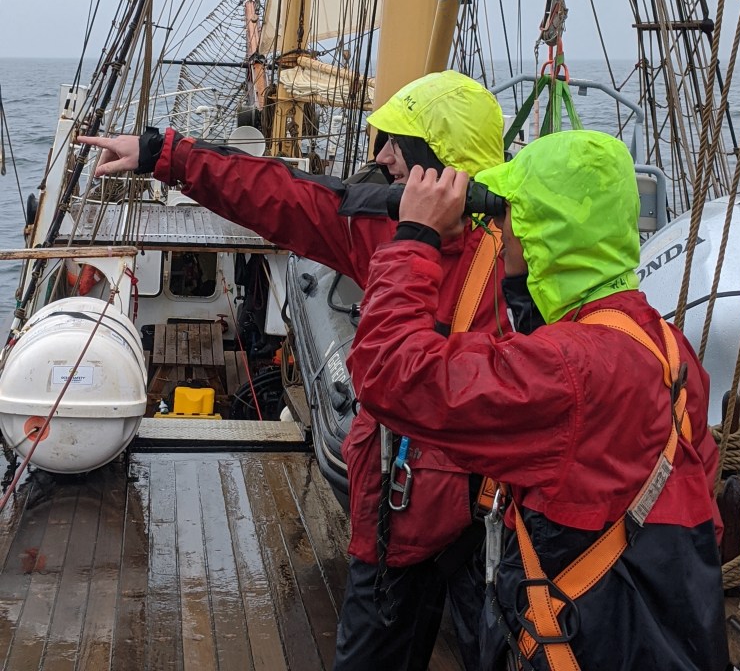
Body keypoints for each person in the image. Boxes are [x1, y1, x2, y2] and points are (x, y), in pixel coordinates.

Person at [79, 69, 521, 671]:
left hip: (490, 522)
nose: (382, 158)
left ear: (440, 158)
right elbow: (280, 195)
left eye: (399, 144)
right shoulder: (383, 231)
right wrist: (166, 155)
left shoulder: (521, 252)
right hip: (403, 520)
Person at [347, 129, 729, 671]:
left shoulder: (566, 369)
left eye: (507, 214)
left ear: (539, 230)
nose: (496, 229)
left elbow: (389, 371)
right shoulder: (664, 344)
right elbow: (699, 496)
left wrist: (415, 236)